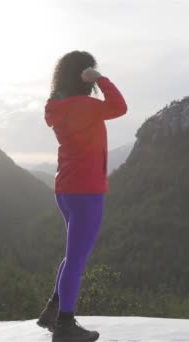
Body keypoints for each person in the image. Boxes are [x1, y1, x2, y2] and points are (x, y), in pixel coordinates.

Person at [36, 50, 127, 342]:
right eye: (89, 71)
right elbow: (119, 107)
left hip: (65, 188)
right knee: (77, 259)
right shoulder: (86, 106)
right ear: (83, 75)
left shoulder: (57, 105)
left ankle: (53, 310)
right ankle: (65, 325)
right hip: (87, 190)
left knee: (72, 254)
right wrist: (101, 79)